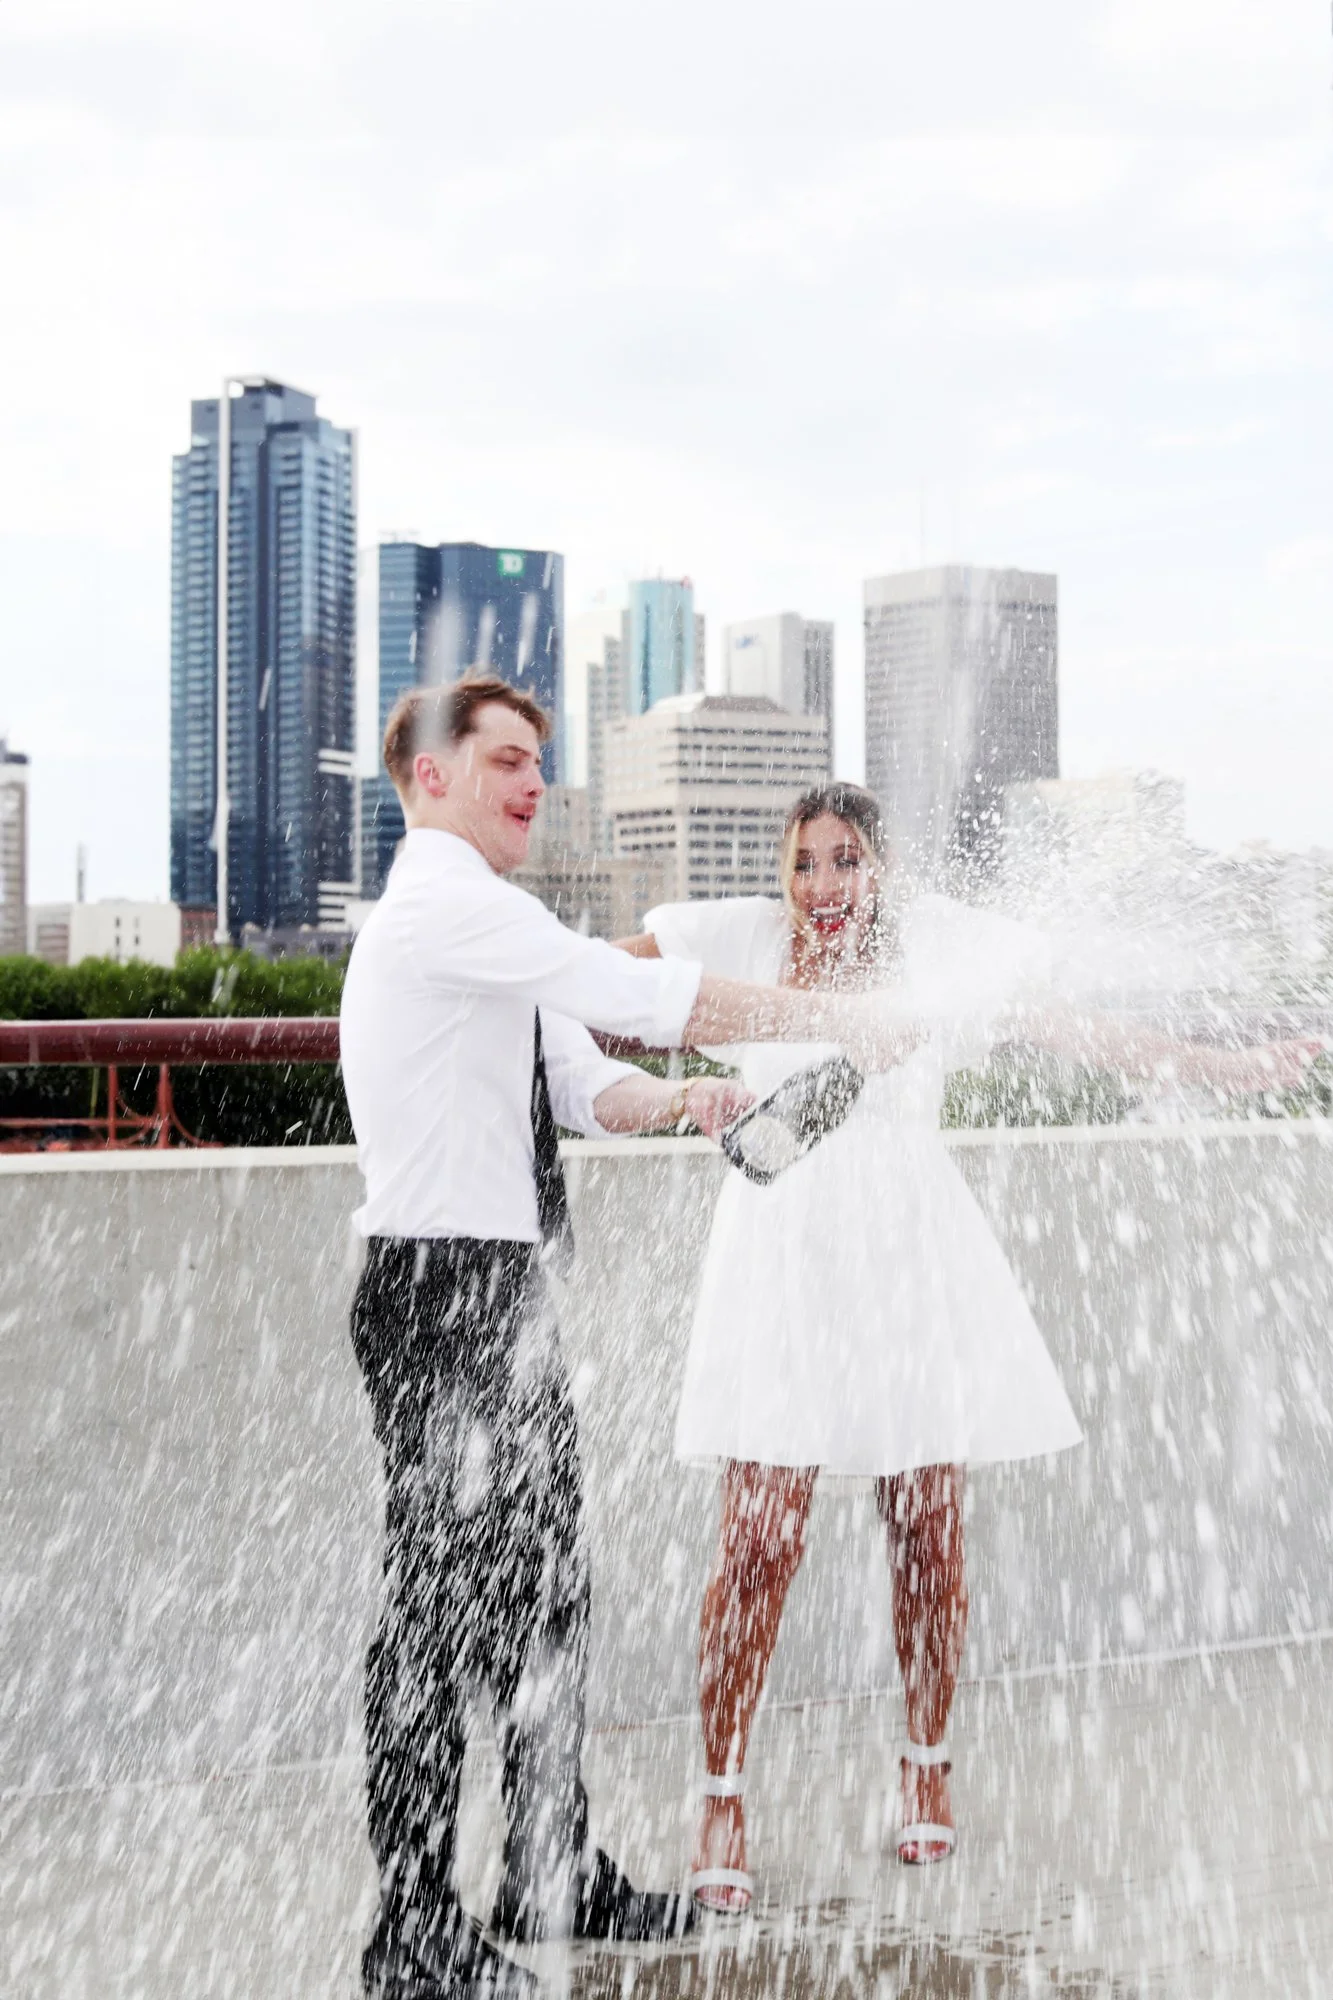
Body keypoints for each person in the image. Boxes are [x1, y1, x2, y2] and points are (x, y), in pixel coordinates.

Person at [615, 782, 1318, 1911]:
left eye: (846, 860)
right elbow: (588, 978)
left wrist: (1226, 1068)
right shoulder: (738, 935)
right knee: (758, 1541)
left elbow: (1076, 1028)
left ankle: (927, 1763)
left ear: (878, 869)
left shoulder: (934, 946)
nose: (823, 885)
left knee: (928, 1533)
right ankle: (720, 1789)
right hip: (779, 1261)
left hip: (909, 1254)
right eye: (804, 862)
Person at [339, 688, 927, 2000]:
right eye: (504, 761)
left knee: (544, 1601)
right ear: (426, 779)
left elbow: (576, 1080)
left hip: (505, 1301)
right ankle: (411, 1929)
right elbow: (632, 990)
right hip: (441, 1299)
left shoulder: (497, 930)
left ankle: (552, 1869)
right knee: (438, 1619)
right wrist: (824, 1021)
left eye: (539, 763)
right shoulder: (444, 903)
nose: (531, 783)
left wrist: (690, 1097)